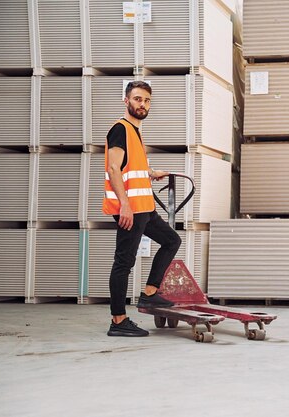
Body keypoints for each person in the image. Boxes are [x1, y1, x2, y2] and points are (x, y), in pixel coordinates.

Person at [103, 80, 181, 337]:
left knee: (171, 241)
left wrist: (151, 172)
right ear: (126, 101)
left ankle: (149, 294)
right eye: (137, 99)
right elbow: (114, 169)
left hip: (144, 208)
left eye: (146, 100)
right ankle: (118, 321)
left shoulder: (135, 131)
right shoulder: (120, 129)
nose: (142, 104)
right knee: (123, 262)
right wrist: (124, 205)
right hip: (131, 209)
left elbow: (131, 165)